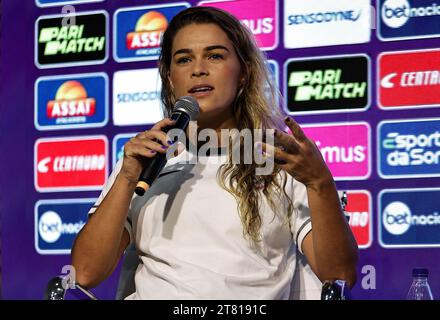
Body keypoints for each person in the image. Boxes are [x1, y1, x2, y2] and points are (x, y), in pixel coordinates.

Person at [71, 6, 358, 300]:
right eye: (184, 59)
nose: (198, 69)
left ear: (244, 72)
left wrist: (319, 183)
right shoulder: (145, 160)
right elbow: (85, 272)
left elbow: (338, 276)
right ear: (171, 79)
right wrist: (126, 179)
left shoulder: (281, 160)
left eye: (215, 56)